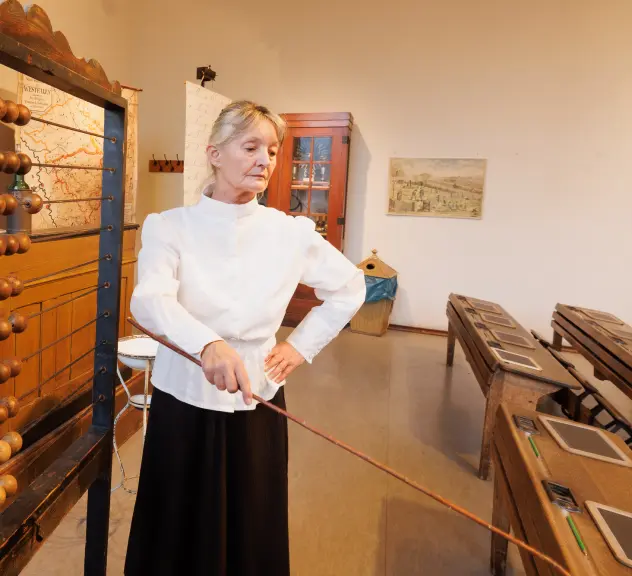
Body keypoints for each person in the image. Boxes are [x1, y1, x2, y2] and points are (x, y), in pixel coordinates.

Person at [124, 100, 366, 576]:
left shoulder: (290, 232)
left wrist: (300, 345)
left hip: (257, 393)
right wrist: (206, 343)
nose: (264, 161)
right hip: (184, 394)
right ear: (215, 153)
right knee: (176, 520)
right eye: (251, 146)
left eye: (272, 151)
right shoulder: (170, 226)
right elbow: (148, 301)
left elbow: (350, 286)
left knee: (252, 519)